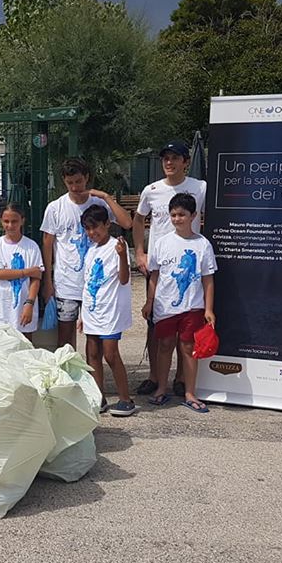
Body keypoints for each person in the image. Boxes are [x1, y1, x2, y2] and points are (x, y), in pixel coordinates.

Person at [133, 140, 207, 398]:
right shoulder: (151, 190)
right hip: (159, 266)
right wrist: (140, 251)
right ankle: (155, 376)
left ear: (185, 162)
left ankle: (180, 378)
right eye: (166, 157)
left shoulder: (200, 188)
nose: (169, 162)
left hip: (188, 267)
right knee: (157, 323)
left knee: (187, 324)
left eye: (175, 158)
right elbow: (139, 219)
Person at [40, 158, 132, 349]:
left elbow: (127, 223)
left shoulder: (99, 203)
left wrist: (106, 197)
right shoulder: (55, 208)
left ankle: (93, 376)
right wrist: (47, 281)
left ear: (87, 178)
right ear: (64, 181)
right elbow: (47, 244)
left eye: (78, 181)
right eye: (70, 182)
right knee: (65, 338)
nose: (75, 187)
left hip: (97, 284)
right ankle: (66, 375)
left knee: (95, 339)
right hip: (67, 283)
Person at [141, 193, 217, 412]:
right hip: (165, 307)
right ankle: (161, 389)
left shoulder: (202, 244)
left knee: (188, 348)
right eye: (173, 215)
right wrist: (149, 301)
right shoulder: (162, 243)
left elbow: (208, 279)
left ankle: (190, 392)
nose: (177, 219)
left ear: (193, 215)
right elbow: (154, 275)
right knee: (164, 346)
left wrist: (209, 308)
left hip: (193, 307)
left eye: (182, 215)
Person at [78, 205, 136, 417]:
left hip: (111, 311)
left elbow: (124, 278)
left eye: (96, 227)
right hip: (93, 309)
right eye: (87, 229)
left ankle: (125, 399)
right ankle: (98, 397)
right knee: (92, 353)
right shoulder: (90, 250)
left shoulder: (117, 247)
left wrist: (122, 256)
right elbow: (87, 283)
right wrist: (82, 314)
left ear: (107, 225)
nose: (92, 233)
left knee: (111, 354)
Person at [0, 202, 43, 339]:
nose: (10, 225)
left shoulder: (31, 246)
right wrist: (26, 272)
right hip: (3, 306)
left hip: (24, 306)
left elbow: (36, 278)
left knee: (25, 341)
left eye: (14, 221)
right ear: (1, 221)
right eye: (6, 221)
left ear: (22, 221)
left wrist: (29, 303)